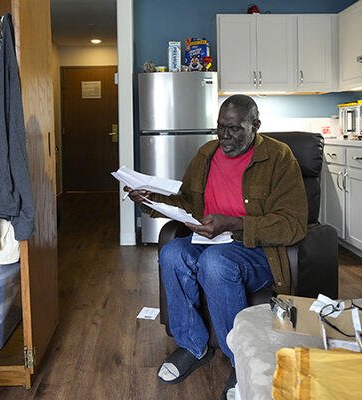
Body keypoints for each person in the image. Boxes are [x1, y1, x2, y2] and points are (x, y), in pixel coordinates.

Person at [125, 94, 308, 400]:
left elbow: (293, 223)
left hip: (255, 250)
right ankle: (193, 346)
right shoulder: (207, 153)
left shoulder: (279, 157)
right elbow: (185, 202)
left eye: (234, 128)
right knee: (172, 254)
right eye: (220, 127)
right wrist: (150, 201)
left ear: (255, 126)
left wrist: (234, 223)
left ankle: (241, 359)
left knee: (215, 262)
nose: (224, 136)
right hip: (210, 241)